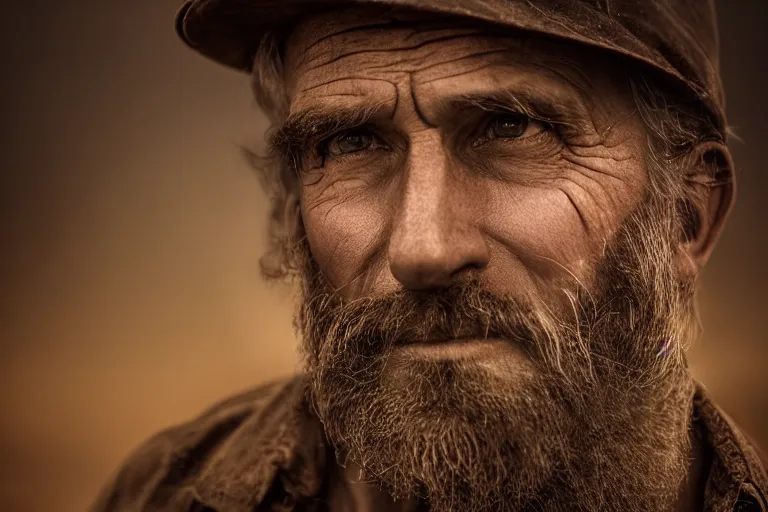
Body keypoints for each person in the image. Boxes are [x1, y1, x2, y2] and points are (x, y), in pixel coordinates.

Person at [93, 1, 767, 510]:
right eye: (351, 142)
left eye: (512, 127)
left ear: (687, 213)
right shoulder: (159, 493)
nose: (422, 249)